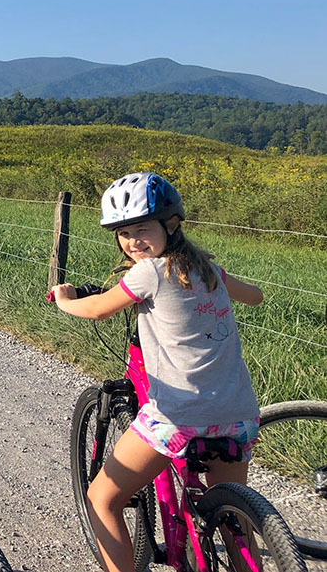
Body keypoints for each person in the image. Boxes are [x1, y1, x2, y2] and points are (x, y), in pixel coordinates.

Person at [50, 172, 264, 572]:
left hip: (179, 417)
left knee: (102, 499)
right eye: (123, 233)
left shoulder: (147, 273)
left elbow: (97, 308)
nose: (133, 241)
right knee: (235, 521)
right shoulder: (206, 267)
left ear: (171, 224)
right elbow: (255, 297)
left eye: (142, 228)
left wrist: (64, 300)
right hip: (237, 414)